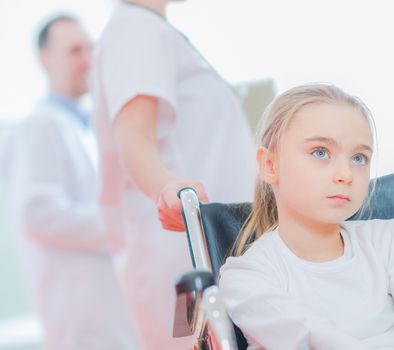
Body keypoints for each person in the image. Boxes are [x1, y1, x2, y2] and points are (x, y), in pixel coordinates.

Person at [219, 83, 394, 349]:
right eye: (320, 152)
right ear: (270, 165)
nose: (346, 174)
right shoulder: (248, 277)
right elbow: (316, 342)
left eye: (359, 158)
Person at [91, 0, 256, 348]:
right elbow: (133, 135)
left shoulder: (151, 29)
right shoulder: (135, 28)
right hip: (184, 246)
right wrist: (166, 188)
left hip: (208, 246)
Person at [6, 14, 139, 349]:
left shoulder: (86, 127)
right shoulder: (39, 127)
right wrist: (122, 224)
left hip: (108, 308)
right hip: (80, 312)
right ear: (45, 60)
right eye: (74, 51)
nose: (86, 61)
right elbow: (39, 213)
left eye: (90, 50)